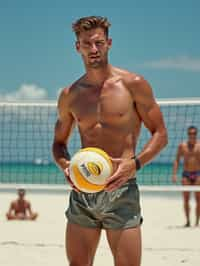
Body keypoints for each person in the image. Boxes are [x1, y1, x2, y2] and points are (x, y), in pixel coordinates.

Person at [52, 16, 168, 266]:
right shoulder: (69, 95)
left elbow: (160, 133)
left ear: (109, 43)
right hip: (83, 191)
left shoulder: (133, 85)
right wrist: (67, 167)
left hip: (122, 190)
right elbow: (59, 143)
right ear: (77, 47)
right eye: (87, 44)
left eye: (99, 43)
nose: (93, 49)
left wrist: (134, 165)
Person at [172, 126, 200, 227]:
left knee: (198, 200)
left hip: (197, 174)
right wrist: (174, 174)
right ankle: (188, 221)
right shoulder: (182, 146)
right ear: (188, 134)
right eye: (190, 133)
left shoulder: (199, 145)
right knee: (186, 199)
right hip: (186, 175)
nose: (192, 135)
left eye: (194, 133)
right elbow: (177, 160)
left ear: (196, 134)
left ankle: (197, 221)